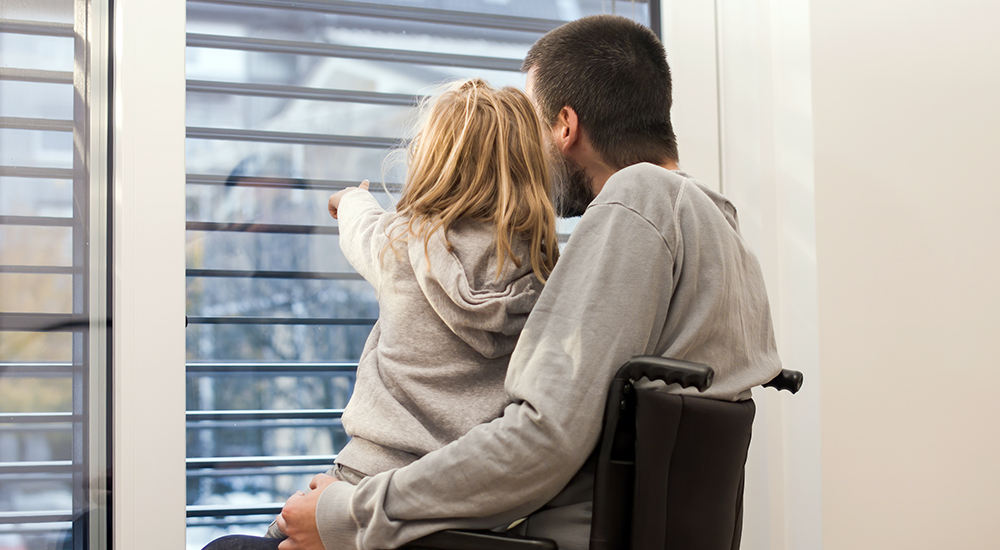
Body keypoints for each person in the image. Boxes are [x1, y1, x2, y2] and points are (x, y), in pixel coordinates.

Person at [276, 14, 782, 550]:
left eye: (533, 126)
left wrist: (348, 514)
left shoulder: (639, 202)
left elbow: (540, 441)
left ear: (565, 126)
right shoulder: (714, 220)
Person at [202, 79, 560, 550]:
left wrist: (349, 198)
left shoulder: (404, 247)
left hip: (362, 489)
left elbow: (362, 230)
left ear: (434, 162)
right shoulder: (546, 277)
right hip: (459, 513)